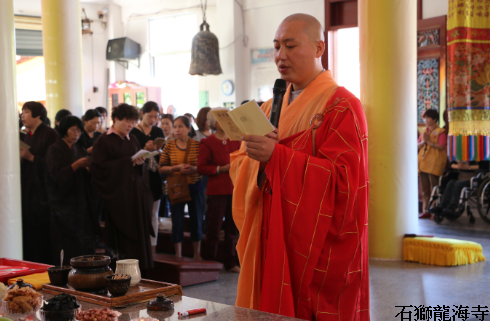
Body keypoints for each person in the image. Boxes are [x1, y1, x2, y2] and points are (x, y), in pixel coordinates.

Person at [229, 14, 369, 320]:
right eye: (277, 46)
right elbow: (243, 163)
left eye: (290, 46)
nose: (281, 56)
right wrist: (253, 157)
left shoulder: (342, 106)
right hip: (269, 233)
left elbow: (346, 183)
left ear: (319, 47)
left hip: (310, 244)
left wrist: (278, 159)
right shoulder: (268, 107)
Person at [90, 103, 154, 270]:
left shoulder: (132, 139)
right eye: (127, 121)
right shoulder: (103, 141)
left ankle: (140, 271)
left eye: (133, 122)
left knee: (138, 234)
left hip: (135, 194)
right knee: (121, 240)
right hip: (118, 198)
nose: (131, 126)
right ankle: (121, 272)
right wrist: (128, 162)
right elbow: (99, 168)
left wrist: (140, 162)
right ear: (116, 119)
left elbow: (138, 166)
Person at [46, 116, 100, 262]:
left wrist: (88, 169)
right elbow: (54, 176)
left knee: (83, 241)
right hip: (63, 205)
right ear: (64, 130)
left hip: (81, 202)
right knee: (66, 243)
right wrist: (75, 165)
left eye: (79, 131)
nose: (77, 134)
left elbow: (87, 176)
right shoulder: (54, 150)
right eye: (73, 130)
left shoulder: (80, 148)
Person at [197, 109, 241, 272]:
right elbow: (201, 167)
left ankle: (230, 262)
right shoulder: (207, 142)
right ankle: (209, 261)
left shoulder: (235, 140)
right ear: (213, 122)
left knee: (232, 228)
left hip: (234, 188)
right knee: (214, 228)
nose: (224, 121)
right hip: (216, 190)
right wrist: (221, 169)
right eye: (220, 119)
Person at [159, 116, 203, 260]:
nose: (177, 130)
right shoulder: (169, 145)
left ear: (188, 129)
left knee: (196, 219)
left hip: (195, 185)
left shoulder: (198, 145)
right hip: (176, 187)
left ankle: (197, 255)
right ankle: (178, 255)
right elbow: (161, 168)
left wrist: (194, 169)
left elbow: (204, 167)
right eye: (175, 126)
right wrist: (176, 167)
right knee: (177, 220)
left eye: (180, 127)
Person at [20, 101, 58, 264]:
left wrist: (31, 157)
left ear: (37, 114)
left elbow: (55, 164)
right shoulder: (26, 135)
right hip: (28, 189)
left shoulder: (50, 134)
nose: (22, 115)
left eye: (26, 112)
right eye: (22, 112)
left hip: (43, 193)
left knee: (41, 234)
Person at [130, 101, 165, 250]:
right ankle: (140, 245)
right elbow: (131, 155)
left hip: (155, 174)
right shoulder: (134, 132)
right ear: (142, 114)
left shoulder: (158, 131)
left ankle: (153, 246)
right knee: (139, 211)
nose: (152, 120)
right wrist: (145, 148)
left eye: (155, 117)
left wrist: (158, 149)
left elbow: (163, 154)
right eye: (150, 116)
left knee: (154, 213)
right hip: (139, 175)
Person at [417, 109, 447, 219]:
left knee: (434, 188)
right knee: (425, 190)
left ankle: (435, 210)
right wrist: (424, 141)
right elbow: (417, 145)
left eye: (428, 118)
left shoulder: (440, 131)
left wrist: (428, 142)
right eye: (425, 118)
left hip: (435, 162)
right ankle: (426, 210)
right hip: (424, 162)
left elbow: (441, 146)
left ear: (434, 119)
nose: (426, 120)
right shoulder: (424, 131)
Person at [159, 114, 175, 218]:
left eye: (167, 124)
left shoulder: (176, 140)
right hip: (163, 176)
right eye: (162, 123)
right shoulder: (160, 140)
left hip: (174, 176)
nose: (164, 126)